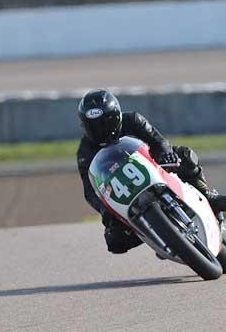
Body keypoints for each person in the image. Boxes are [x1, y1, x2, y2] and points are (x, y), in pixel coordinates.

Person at [76, 89, 226, 254]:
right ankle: (154, 233)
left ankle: (205, 193)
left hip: (153, 168)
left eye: (105, 122)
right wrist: (105, 210)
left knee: (184, 155)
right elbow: (90, 191)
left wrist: (165, 153)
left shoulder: (133, 120)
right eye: (93, 125)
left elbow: (158, 141)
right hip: (123, 192)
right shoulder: (85, 152)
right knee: (114, 242)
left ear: (117, 116)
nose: (100, 130)